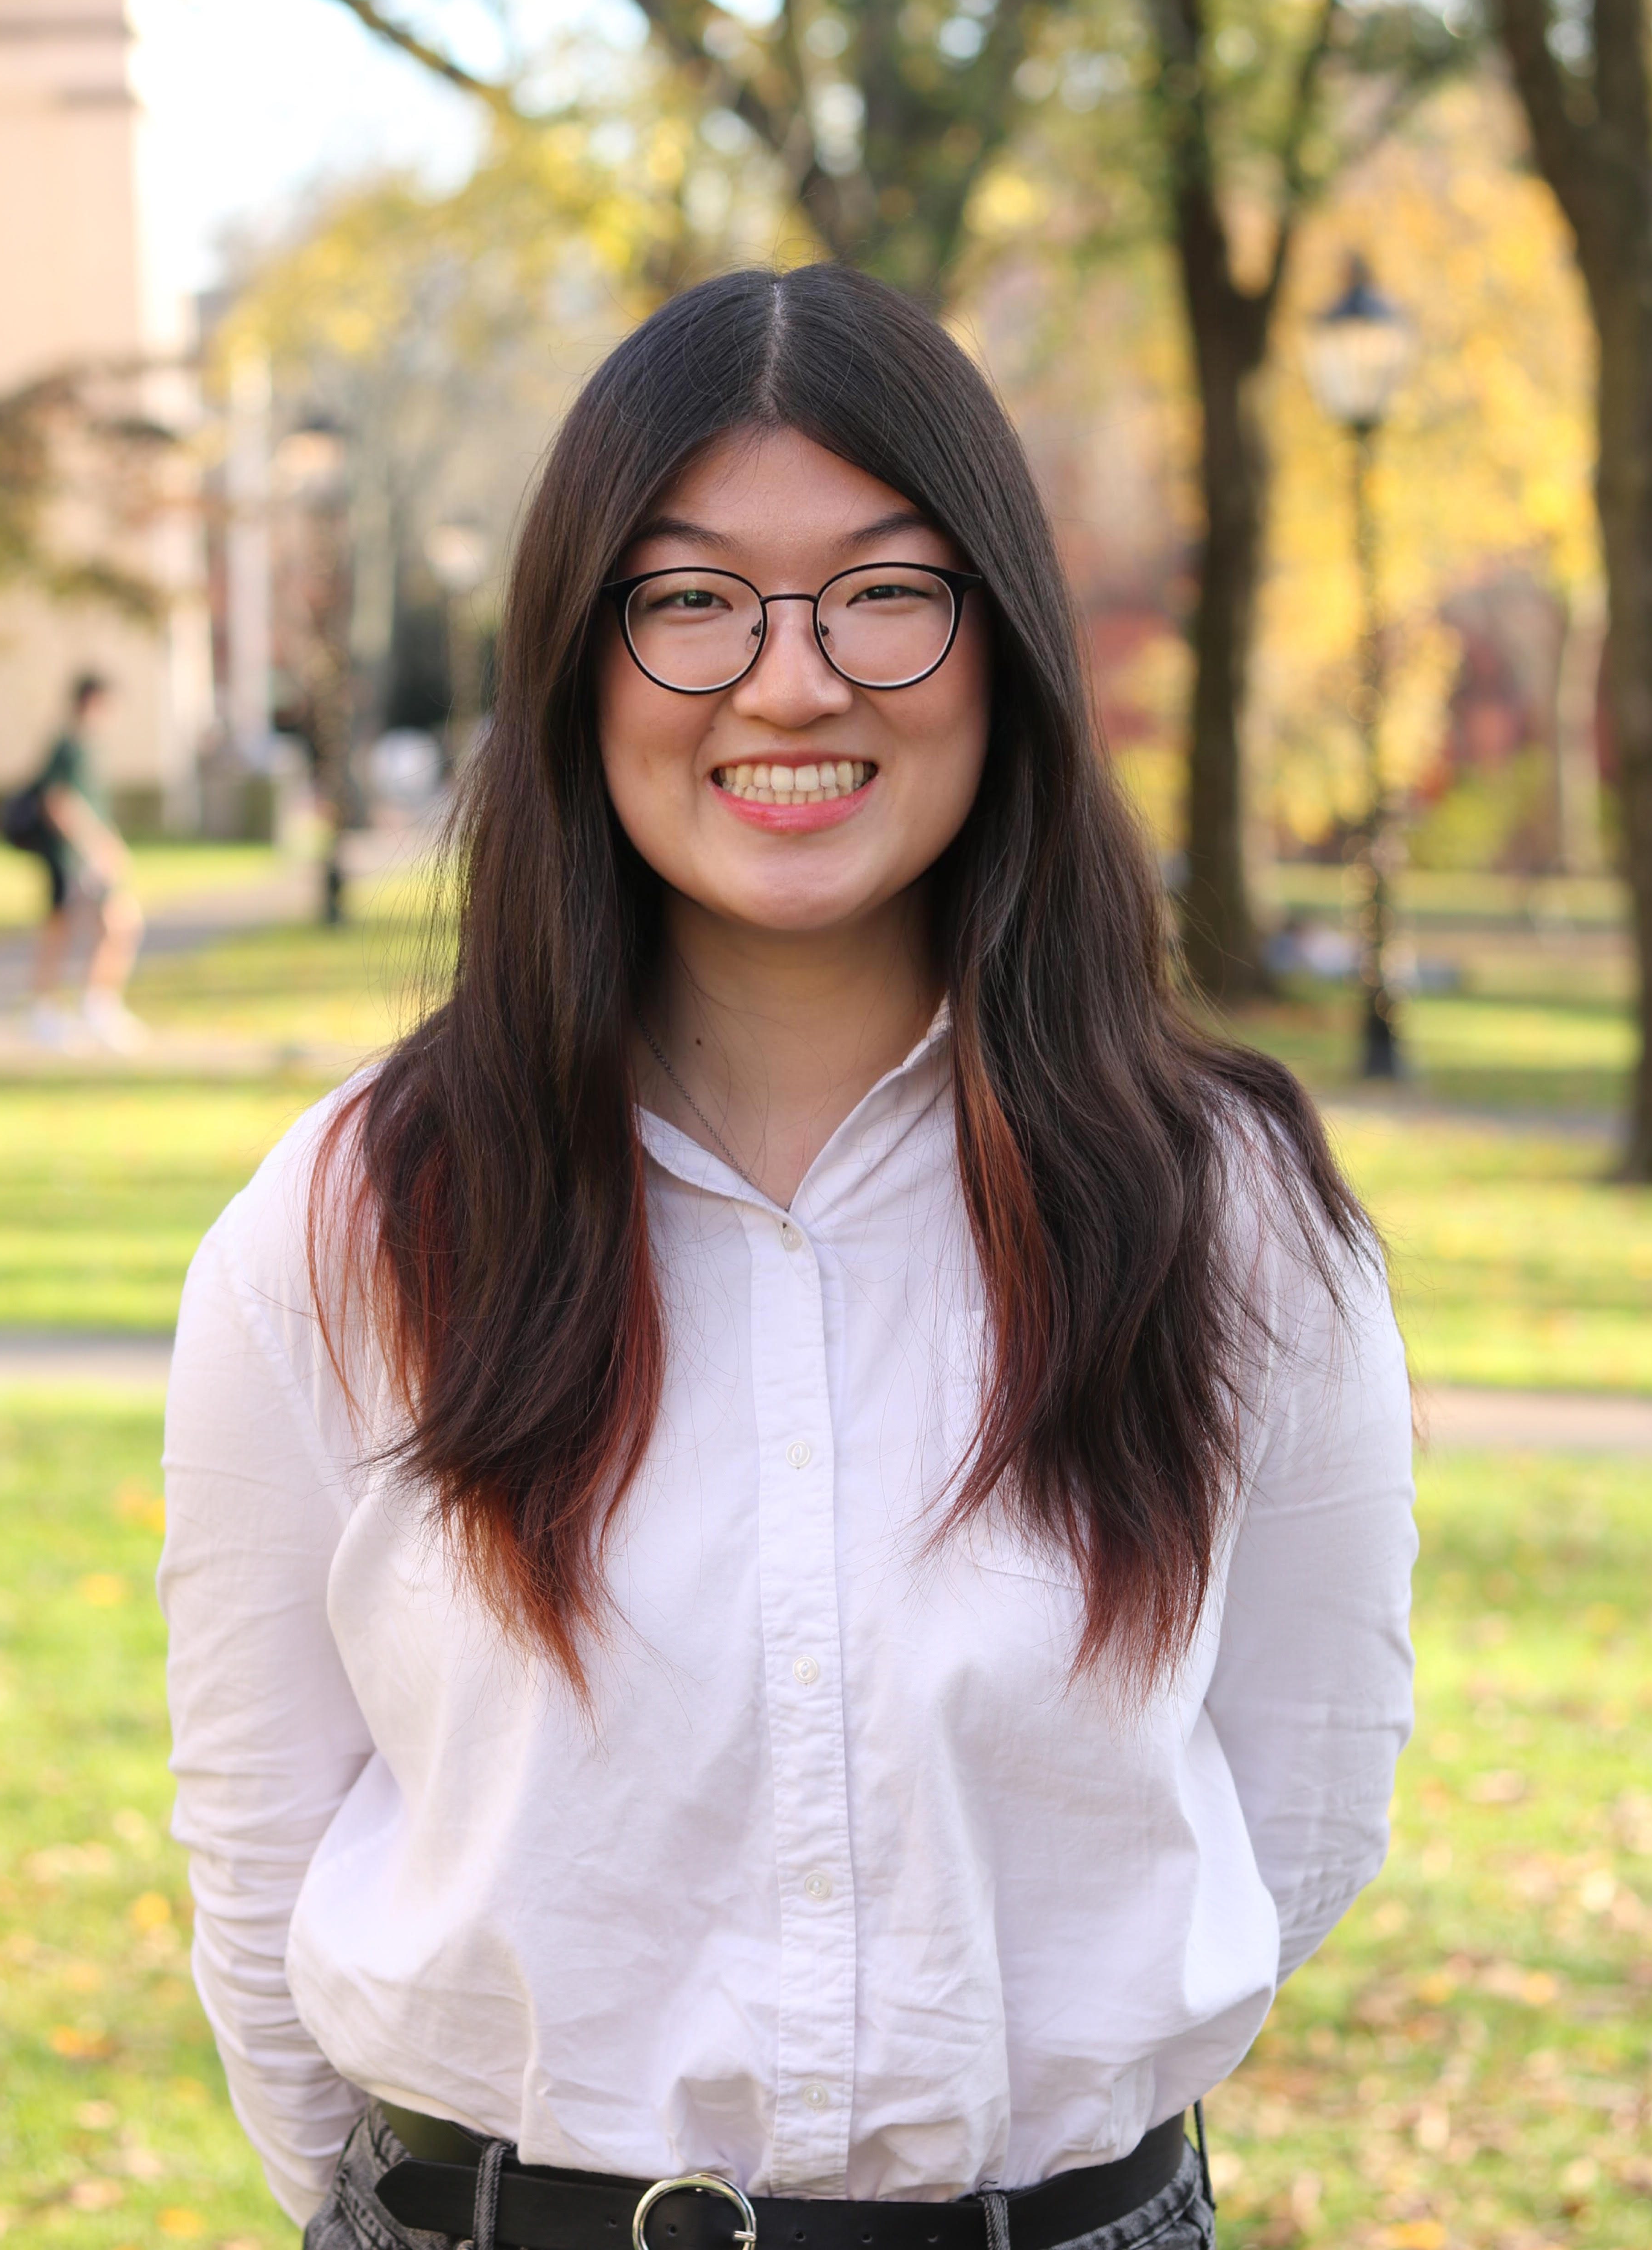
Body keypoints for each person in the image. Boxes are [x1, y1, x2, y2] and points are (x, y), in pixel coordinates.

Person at [161, 267, 1415, 2250]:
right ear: (579, 660)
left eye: (880, 591)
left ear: (996, 641)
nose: (789, 679)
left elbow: (1300, 1796)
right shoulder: (346, 1225)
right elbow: (258, 1846)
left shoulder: (1223, 1218)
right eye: (687, 601)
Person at [16, 673, 147, 1050]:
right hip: (73, 858)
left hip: (83, 855)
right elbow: (58, 802)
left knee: (100, 925)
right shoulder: (70, 746)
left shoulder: (83, 746)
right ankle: (74, 1009)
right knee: (100, 924)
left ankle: (89, 1006)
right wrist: (96, 846)